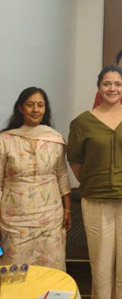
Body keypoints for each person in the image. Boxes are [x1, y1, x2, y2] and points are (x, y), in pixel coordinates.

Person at [67, 66, 122, 299]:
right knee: (100, 262)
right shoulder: (82, 122)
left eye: (117, 84)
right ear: (99, 87)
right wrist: (93, 180)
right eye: (107, 84)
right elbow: (75, 160)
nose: (112, 88)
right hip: (95, 200)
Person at [0, 87, 72, 270]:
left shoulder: (55, 139)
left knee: (51, 269)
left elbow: (62, 175)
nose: (35, 109)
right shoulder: (5, 140)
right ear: (20, 108)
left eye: (40, 105)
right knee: (15, 272)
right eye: (30, 105)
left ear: (45, 109)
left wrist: (68, 209)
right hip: (14, 220)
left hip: (50, 217)